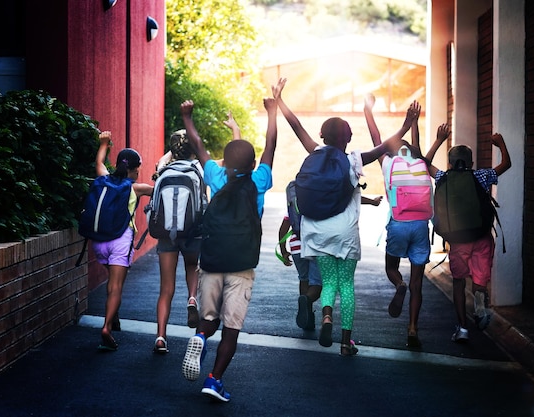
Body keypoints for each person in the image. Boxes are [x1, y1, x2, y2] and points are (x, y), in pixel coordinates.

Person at [274, 77, 416, 356]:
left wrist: (280, 101)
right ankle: (345, 342)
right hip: (345, 234)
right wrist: (406, 125)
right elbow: (386, 146)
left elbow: (297, 126)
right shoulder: (354, 160)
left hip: (316, 231)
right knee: (345, 285)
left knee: (327, 282)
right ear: (348, 138)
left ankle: (325, 315)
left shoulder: (314, 151)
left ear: (323, 136)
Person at [179, 96, 278, 402]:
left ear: (224, 161)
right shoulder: (259, 181)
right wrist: (272, 113)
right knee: (231, 330)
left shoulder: (215, 176)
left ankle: (200, 337)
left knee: (210, 320)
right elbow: (269, 147)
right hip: (242, 266)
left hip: (212, 262)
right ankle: (214, 379)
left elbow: (198, 145)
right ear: (251, 165)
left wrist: (188, 117)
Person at [364, 95, 441, 349]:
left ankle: (399, 284)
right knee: (418, 283)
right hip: (421, 225)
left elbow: (376, 139)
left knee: (391, 267)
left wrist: (368, 110)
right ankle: (412, 329)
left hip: (398, 224)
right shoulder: (420, 162)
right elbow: (417, 144)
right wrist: (415, 122)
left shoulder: (387, 162)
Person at [425, 130, 512, 342]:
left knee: (458, 282)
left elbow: (425, 163)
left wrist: (439, 140)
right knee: (480, 282)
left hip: (457, 241)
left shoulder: (443, 177)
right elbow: (506, 164)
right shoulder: (481, 176)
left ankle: (462, 328)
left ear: (451, 163)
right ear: (471, 162)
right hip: (481, 238)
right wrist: (500, 143)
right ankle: (480, 309)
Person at [277, 194, 382, 331]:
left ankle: (307, 314)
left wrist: (283, 250)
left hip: (296, 247)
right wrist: (372, 202)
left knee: (304, 279)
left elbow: (284, 227)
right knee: (318, 284)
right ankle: (307, 300)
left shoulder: (297, 201)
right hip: (314, 245)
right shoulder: (325, 197)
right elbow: (351, 197)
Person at [93, 131, 153, 351]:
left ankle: (113, 315)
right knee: (116, 287)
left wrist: (104, 143)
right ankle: (107, 327)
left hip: (99, 243)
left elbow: (99, 161)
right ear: (135, 168)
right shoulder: (136, 188)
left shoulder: (102, 178)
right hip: (120, 240)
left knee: (112, 281)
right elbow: (160, 191)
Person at [152, 129, 204, 354]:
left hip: (166, 234)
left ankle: (161, 337)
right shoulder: (198, 168)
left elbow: (161, 160)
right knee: (192, 266)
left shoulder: (164, 169)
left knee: (166, 289)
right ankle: (192, 298)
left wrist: (173, 150)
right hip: (193, 231)